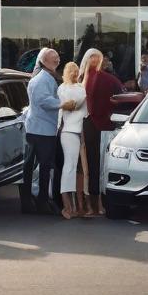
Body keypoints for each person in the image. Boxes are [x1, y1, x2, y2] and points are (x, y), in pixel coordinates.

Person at [21, 47, 76, 215]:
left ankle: (37, 201)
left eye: (58, 57)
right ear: (44, 61)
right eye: (54, 58)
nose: (57, 60)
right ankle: (39, 203)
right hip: (40, 131)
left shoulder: (46, 77)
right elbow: (43, 101)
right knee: (41, 167)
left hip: (42, 129)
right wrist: (62, 104)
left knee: (37, 167)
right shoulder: (41, 79)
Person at [80, 47, 124, 217]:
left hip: (88, 126)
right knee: (101, 165)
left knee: (90, 166)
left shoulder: (80, 79)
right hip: (101, 126)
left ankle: (91, 204)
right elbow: (121, 99)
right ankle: (98, 204)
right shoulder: (108, 80)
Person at [57, 61, 88, 219]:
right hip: (70, 132)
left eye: (77, 72)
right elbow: (75, 106)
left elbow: (75, 107)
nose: (75, 74)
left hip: (74, 132)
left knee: (73, 169)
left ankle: (74, 206)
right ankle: (68, 207)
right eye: (73, 72)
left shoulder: (66, 89)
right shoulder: (76, 89)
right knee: (69, 168)